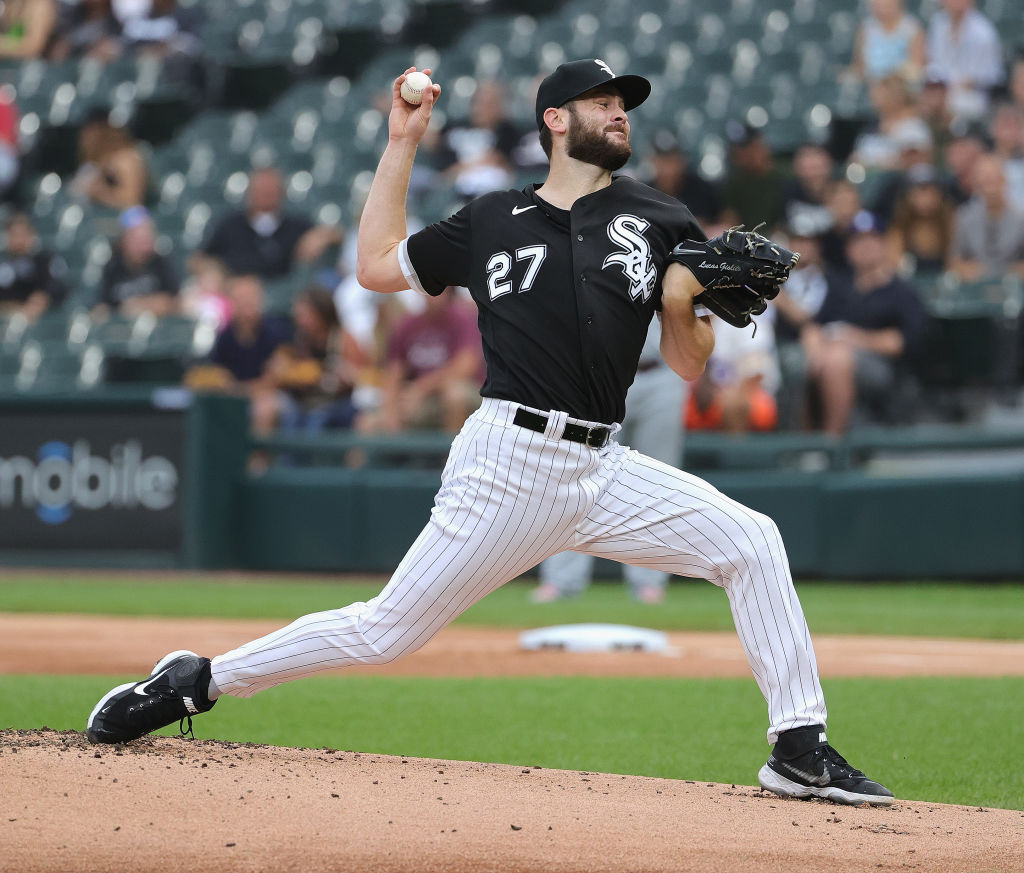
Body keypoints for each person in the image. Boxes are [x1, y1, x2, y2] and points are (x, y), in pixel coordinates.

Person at [86, 59, 894, 808]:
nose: (620, 115)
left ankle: (798, 745)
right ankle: (196, 680)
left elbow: (686, 364)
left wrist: (686, 303)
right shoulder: (492, 216)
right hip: (509, 461)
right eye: (604, 104)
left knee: (752, 540)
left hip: (603, 466)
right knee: (384, 631)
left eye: (624, 107)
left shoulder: (657, 215)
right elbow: (374, 266)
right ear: (555, 119)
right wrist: (402, 142)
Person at [530, 319, 687, 604]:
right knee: (576, 472)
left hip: (661, 371)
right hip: (599, 372)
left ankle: (649, 582)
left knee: (656, 483)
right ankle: (560, 581)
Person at [802, 210, 927, 434]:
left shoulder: (901, 291)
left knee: (838, 359)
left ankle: (832, 445)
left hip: (883, 368)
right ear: (848, 250)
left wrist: (855, 339)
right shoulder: (840, 285)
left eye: (872, 239)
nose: (865, 246)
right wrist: (815, 348)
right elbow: (814, 325)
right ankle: (800, 443)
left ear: (883, 244)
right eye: (858, 241)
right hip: (829, 354)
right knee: (804, 360)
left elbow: (902, 342)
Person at [360, 286, 484, 434]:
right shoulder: (407, 324)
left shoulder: (464, 318)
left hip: (464, 395)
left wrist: (421, 388)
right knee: (367, 423)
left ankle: (453, 455)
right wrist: (391, 412)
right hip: (419, 400)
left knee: (455, 394)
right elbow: (393, 374)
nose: (434, 294)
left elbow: (465, 367)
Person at [192, 167, 341, 280]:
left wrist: (320, 237)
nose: (266, 193)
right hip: (238, 296)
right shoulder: (230, 225)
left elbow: (338, 235)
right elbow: (200, 259)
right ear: (250, 192)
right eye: (261, 189)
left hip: (289, 297)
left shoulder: (297, 225)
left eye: (271, 189)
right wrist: (215, 271)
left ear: (281, 191)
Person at [264, 286, 364, 434]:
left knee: (317, 419)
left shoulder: (343, 339)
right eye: (299, 315)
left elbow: (361, 377)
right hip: (303, 401)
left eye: (306, 314)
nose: (300, 320)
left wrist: (345, 374)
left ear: (321, 313)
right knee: (288, 415)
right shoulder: (295, 339)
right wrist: (290, 373)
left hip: (336, 402)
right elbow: (274, 375)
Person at [925, 0, 1004, 123]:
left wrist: (968, 82)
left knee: (957, 104)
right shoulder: (937, 23)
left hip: (972, 95)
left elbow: (993, 74)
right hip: (940, 88)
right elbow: (933, 61)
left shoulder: (984, 32)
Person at [949, 154, 1024, 280]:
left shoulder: (1020, 218)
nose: (990, 189)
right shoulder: (965, 217)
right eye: (984, 182)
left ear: (1004, 181)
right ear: (976, 185)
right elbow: (954, 261)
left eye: (994, 181)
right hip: (975, 289)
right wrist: (969, 271)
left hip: (1014, 287)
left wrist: (1008, 272)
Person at [95, 206, 179, 317]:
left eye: (147, 236)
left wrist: (141, 305)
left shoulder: (161, 263)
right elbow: (103, 306)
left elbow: (174, 301)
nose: (144, 243)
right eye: (138, 238)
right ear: (124, 240)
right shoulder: (113, 267)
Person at [69, 109, 148, 210]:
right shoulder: (89, 164)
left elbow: (132, 203)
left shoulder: (125, 158)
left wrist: (99, 191)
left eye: (91, 131)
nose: (86, 139)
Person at [886, 163, 955, 275]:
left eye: (931, 191)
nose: (926, 199)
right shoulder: (899, 227)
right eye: (921, 192)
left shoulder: (951, 223)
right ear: (909, 195)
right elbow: (893, 259)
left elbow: (956, 261)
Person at [644, 129, 721, 226]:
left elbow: (703, 228)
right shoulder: (643, 193)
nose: (668, 169)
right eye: (662, 161)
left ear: (682, 161)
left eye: (672, 161)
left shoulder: (701, 190)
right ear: (652, 161)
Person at [721, 121, 786, 231]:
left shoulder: (782, 177)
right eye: (738, 150)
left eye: (748, 148)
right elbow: (729, 218)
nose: (743, 154)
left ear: (762, 147)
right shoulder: (734, 182)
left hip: (779, 240)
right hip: (746, 241)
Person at [0, 212, 67, 320]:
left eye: (22, 234)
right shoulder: (3, 261)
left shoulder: (44, 260)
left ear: (32, 234)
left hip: (38, 320)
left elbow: (55, 288)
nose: (19, 240)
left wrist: (38, 302)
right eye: (14, 235)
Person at [848, 0, 925, 84]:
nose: (881, 7)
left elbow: (917, 67)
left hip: (901, 86)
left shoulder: (912, 28)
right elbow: (859, 65)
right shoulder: (866, 28)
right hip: (871, 84)